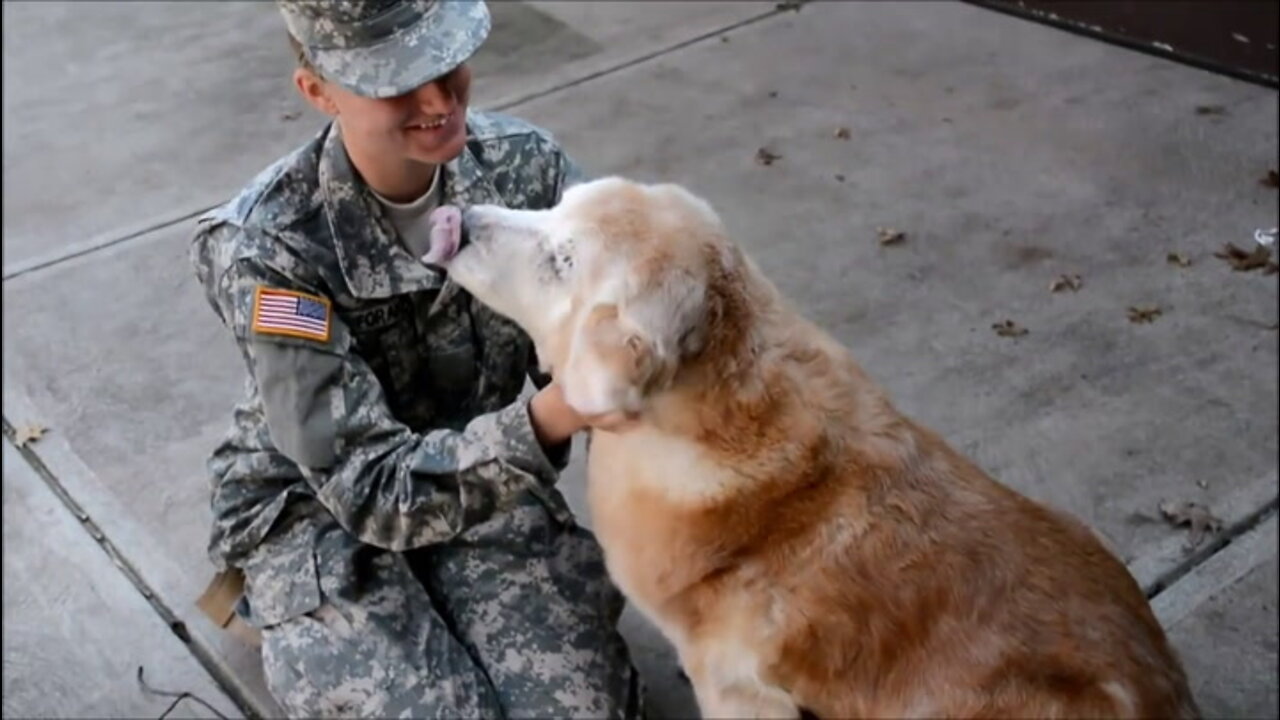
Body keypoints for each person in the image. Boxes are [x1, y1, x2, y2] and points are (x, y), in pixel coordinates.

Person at [188, 1, 646, 717]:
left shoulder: (527, 170)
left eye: (441, 59)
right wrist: (553, 416)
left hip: (485, 491)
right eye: (394, 79)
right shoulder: (267, 245)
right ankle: (294, 612)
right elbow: (366, 488)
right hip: (319, 511)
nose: (437, 98)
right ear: (318, 91)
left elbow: (619, 337)